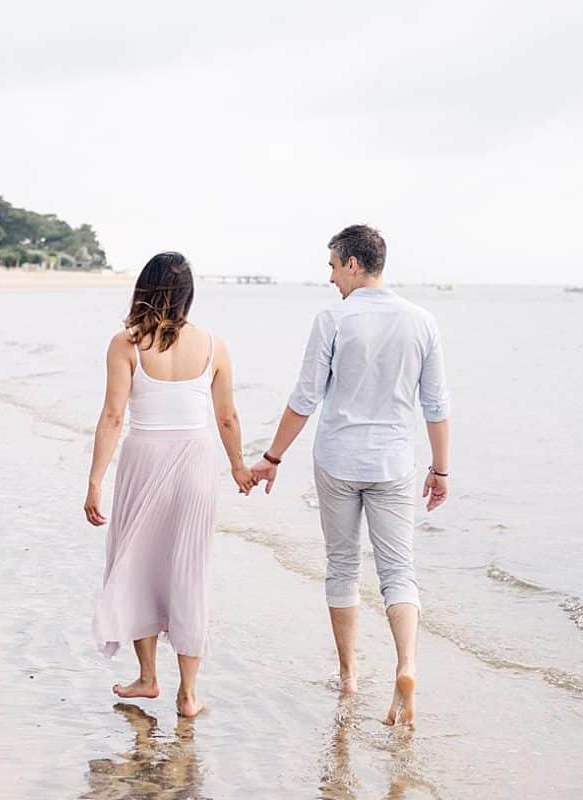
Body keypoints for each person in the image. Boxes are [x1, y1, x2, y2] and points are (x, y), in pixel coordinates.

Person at [250, 225, 450, 726]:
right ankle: (406, 667)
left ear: (354, 264)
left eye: (334, 266)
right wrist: (440, 470)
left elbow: (304, 397)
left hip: (338, 459)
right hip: (393, 463)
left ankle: (349, 675)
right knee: (398, 573)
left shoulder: (334, 319)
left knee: (342, 567)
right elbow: (436, 406)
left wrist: (272, 457)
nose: (332, 277)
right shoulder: (422, 321)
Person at [86, 251, 256, 718]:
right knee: (189, 571)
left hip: (145, 459)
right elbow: (227, 416)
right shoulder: (214, 346)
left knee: (137, 562)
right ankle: (189, 693)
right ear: (187, 294)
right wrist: (239, 467)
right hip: (197, 464)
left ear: (143, 286)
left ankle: (147, 677)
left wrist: (95, 480)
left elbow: (113, 415)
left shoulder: (127, 344)